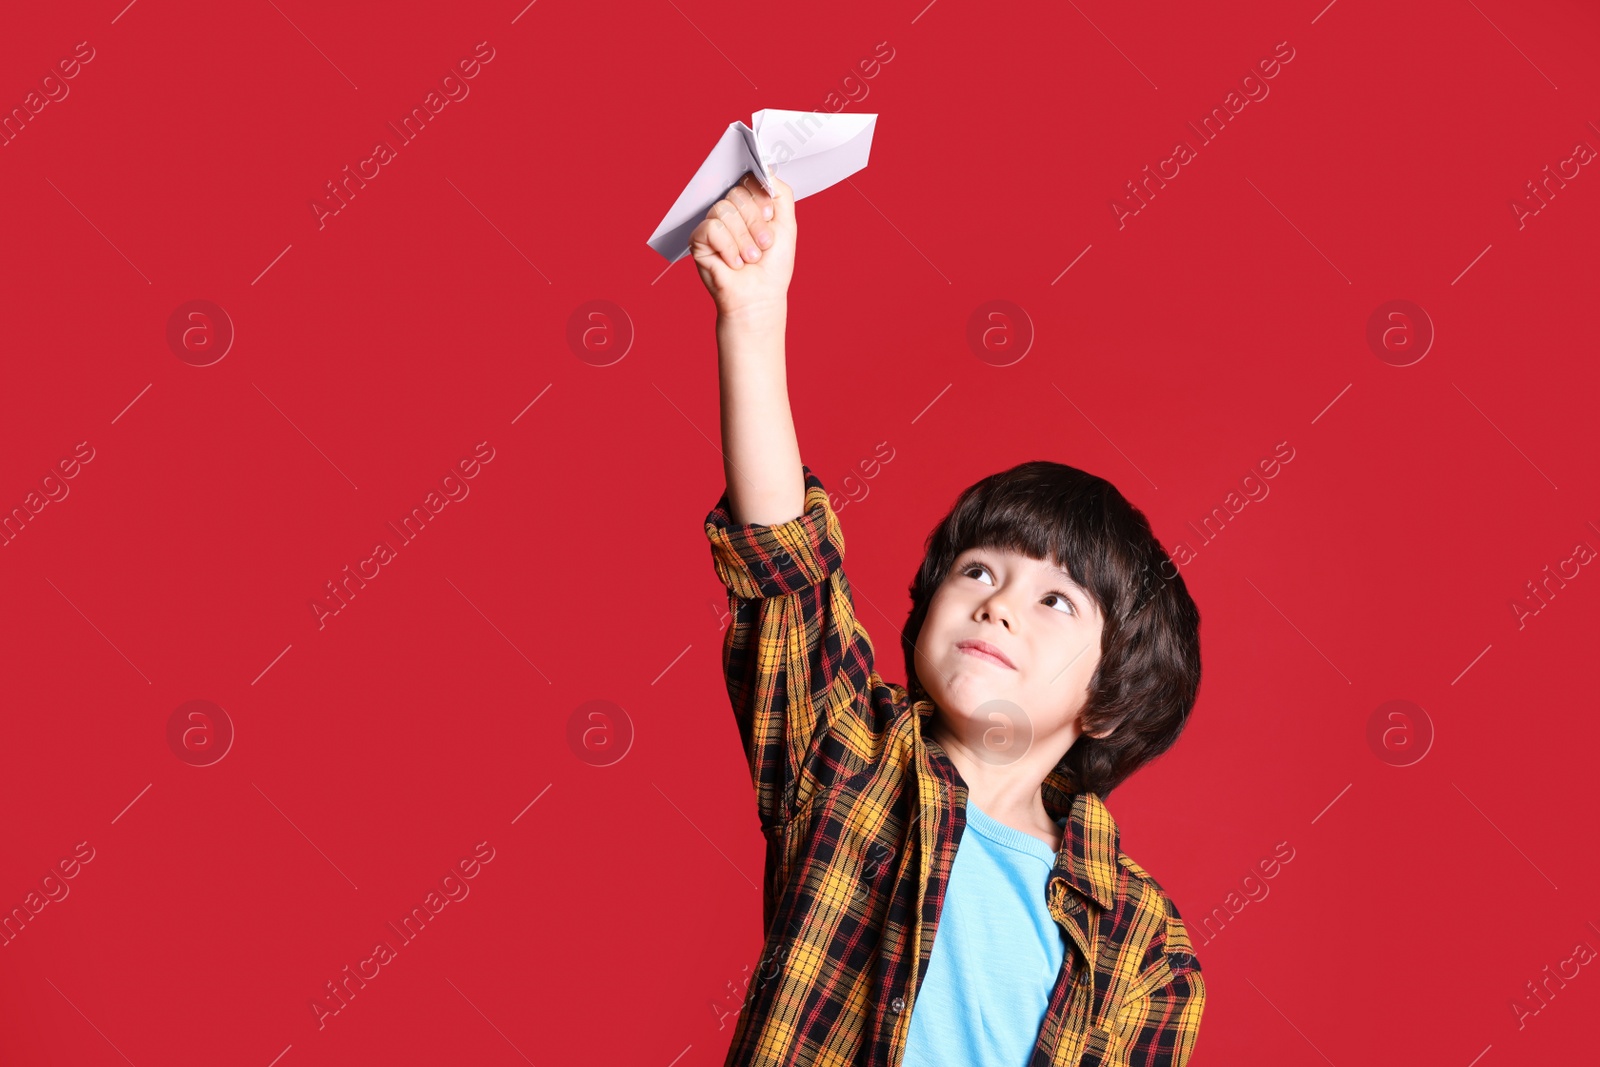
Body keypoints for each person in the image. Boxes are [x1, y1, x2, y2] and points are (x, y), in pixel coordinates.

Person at [694, 170, 1206, 1067]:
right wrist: (753, 315)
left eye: (1054, 599)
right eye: (978, 569)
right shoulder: (851, 754)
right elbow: (787, 567)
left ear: (1111, 699)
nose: (998, 602)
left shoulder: (1146, 950)